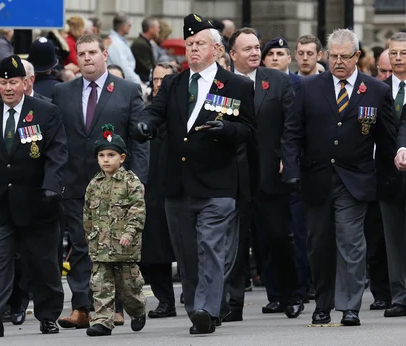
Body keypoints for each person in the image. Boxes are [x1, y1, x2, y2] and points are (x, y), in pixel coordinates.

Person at [135, 14, 255, 335]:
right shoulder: (174, 84)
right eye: (189, 45)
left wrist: (226, 128)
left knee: (211, 247)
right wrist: (144, 124)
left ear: (217, 49)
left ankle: (206, 307)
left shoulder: (237, 85)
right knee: (187, 254)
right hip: (178, 184)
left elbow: (247, 129)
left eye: (199, 44)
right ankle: (197, 308)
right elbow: (155, 111)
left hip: (217, 183)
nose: (192, 50)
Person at [282, 28, 396, 326]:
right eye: (333, 56)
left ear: (357, 56)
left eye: (345, 56)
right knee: (319, 243)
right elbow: (292, 133)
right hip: (316, 177)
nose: (339, 62)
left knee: (351, 242)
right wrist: (291, 170)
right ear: (326, 55)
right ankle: (323, 303)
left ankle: (349, 306)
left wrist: (387, 177)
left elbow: (386, 140)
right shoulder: (308, 87)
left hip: (355, 179)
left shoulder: (376, 90)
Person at [52, 33, 149, 330]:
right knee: (82, 246)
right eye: (81, 54)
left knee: (114, 249)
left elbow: (140, 140)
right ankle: (83, 306)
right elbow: (58, 139)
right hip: (75, 182)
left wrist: (140, 179)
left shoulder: (127, 90)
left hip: (116, 187)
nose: (87, 58)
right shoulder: (62, 92)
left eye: (92, 52)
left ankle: (117, 306)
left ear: (105, 55)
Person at [0, 55, 67, 338]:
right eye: (3, 83)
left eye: (13, 82)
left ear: (25, 83)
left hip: (38, 203)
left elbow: (57, 154)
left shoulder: (45, 112)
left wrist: (52, 186)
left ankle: (48, 316)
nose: (8, 88)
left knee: (44, 264)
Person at [229, 28, 302, 319]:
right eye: (247, 49)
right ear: (233, 55)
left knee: (278, 238)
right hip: (233, 176)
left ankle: (290, 295)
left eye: (257, 47)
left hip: (270, 174)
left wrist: (288, 158)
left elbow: (291, 125)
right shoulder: (224, 84)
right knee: (234, 243)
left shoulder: (278, 80)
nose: (255, 53)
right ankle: (232, 305)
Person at [83, 124, 147, 337]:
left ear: (122, 157)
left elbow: (137, 211)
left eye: (111, 155)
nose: (105, 159)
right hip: (100, 248)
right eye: (101, 155)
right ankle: (102, 321)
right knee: (101, 285)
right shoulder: (94, 184)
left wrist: (129, 233)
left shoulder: (131, 182)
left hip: (124, 247)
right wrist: (90, 237)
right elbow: (88, 216)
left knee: (129, 289)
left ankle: (137, 311)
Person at [143, 62, 177, 319]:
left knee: (186, 249)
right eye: (155, 79)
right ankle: (165, 300)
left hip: (178, 187)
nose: (158, 84)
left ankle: (194, 296)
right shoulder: (145, 114)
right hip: (151, 188)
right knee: (155, 250)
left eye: (164, 80)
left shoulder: (182, 113)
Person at [383, 32, 406, 317]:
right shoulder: (377, 89)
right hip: (388, 175)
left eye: (404, 52)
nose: (398, 57)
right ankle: (399, 295)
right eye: (394, 52)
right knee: (393, 238)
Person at [108, 13, 142, 84]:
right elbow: (124, 67)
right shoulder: (115, 43)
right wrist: (138, 82)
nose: (130, 27)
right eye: (129, 25)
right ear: (123, 27)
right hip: (120, 81)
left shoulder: (118, 41)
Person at [131, 17, 160, 82]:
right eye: (157, 27)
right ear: (151, 29)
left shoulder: (145, 42)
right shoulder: (141, 44)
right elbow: (148, 68)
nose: (159, 30)